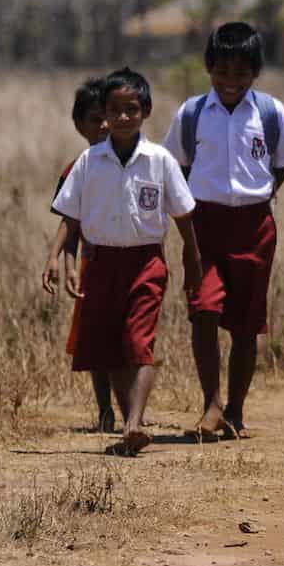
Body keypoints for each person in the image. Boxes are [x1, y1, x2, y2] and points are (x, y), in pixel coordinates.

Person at [44, 67, 201, 457]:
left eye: (131, 109)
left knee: (138, 342)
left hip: (146, 262)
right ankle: (127, 421)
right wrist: (53, 256)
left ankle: (134, 422)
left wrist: (192, 257)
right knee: (112, 346)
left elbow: (183, 215)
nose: (123, 117)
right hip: (100, 265)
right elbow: (71, 215)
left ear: (145, 110)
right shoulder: (89, 161)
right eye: (114, 110)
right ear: (105, 115)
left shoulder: (160, 160)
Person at [163, 22, 284, 441]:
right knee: (203, 310)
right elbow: (177, 168)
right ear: (209, 68)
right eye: (222, 72)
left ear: (255, 73)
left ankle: (236, 410)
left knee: (245, 326)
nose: (230, 82)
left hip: (254, 226)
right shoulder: (190, 115)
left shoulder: (270, 113)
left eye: (241, 74)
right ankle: (212, 403)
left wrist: (260, 195)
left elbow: (282, 162)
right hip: (204, 226)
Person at [40, 76, 115, 433]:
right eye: (94, 118)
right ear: (79, 125)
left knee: (129, 340)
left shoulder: (137, 161)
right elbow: (71, 223)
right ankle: (106, 411)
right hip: (94, 264)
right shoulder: (76, 170)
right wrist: (65, 262)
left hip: (132, 263)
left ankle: (132, 409)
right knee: (97, 343)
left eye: (108, 116)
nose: (103, 125)